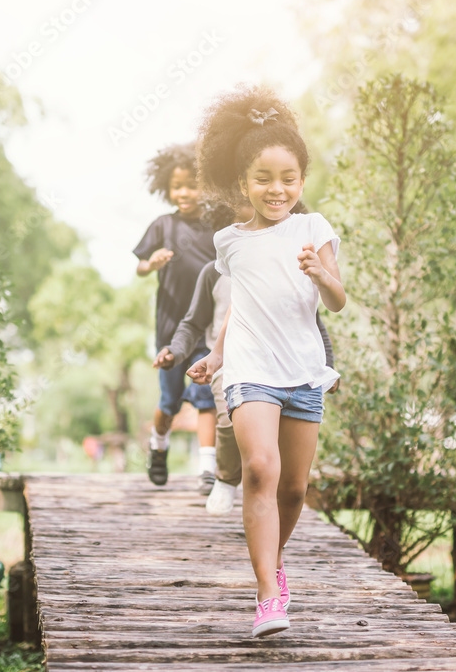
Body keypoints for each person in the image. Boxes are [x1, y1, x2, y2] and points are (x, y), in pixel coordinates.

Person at [187, 86, 346, 638]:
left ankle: (272, 561)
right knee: (260, 469)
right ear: (244, 183)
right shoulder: (229, 241)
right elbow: (238, 307)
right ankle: (268, 596)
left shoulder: (314, 228)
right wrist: (216, 354)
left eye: (287, 178)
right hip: (250, 370)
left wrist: (322, 275)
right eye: (263, 178)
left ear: (301, 181)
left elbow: (338, 299)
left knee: (295, 490)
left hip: (302, 370)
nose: (275, 189)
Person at [154, 199, 340, 516]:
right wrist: (177, 351)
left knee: (280, 453)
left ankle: (267, 515)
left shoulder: (290, 267)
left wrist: (328, 367)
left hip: (288, 365)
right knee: (228, 418)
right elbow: (194, 322)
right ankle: (225, 479)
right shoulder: (214, 272)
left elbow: (313, 321)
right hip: (232, 362)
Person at [133, 143, 218, 493]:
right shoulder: (162, 226)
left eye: (192, 185)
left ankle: (208, 469)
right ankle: (158, 446)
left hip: (207, 330)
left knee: (207, 399)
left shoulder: (217, 225)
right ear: (167, 189)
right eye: (177, 186)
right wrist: (150, 264)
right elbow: (139, 267)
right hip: (170, 330)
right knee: (169, 402)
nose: (184, 193)